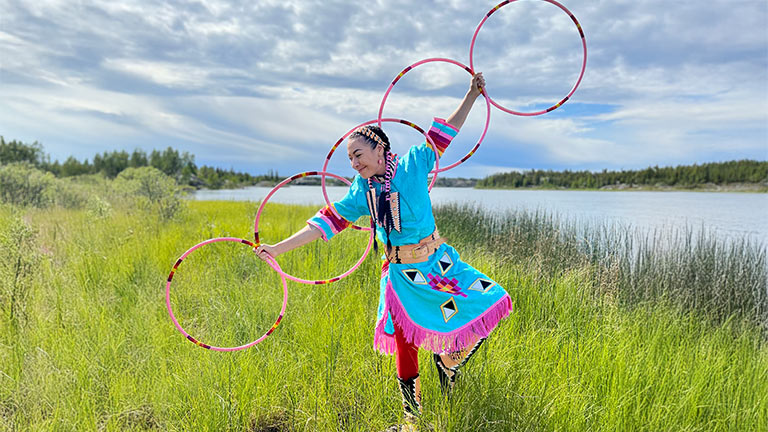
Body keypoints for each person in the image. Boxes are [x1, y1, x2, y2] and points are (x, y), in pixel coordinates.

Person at [255, 73, 512, 431]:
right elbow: (326, 221)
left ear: (380, 149)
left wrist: (472, 94)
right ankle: (411, 419)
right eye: (350, 159)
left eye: (358, 155)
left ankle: (450, 361)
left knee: (493, 300)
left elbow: (445, 134)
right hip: (399, 275)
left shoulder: (412, 165)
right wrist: (277, 249)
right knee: (405, 344)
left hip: (438, 264)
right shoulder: (362, 190)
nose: (355, 164)